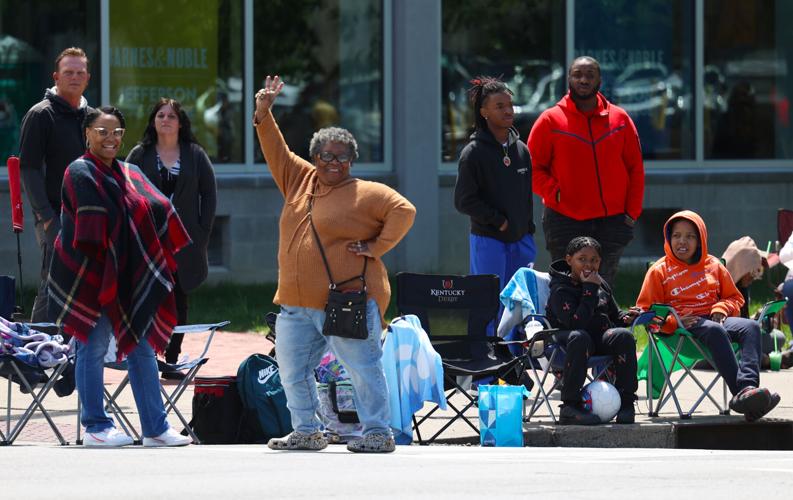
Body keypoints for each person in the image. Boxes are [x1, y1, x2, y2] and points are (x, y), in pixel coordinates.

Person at [254, 75, 416, 453]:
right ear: (315, 157)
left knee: (362, 369)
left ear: (351, 161)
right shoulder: (298, 179)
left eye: (342, 156)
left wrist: (377, 246)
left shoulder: (365, 193)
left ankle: (377, 433)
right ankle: (307, 430)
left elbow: (404, 210)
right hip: (294, 303)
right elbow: (274, 147)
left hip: (344, 300)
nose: (333, 162)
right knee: (292, 372)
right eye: (326, 155)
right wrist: (264, 112)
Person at [47, 106, 193, 447]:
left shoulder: (129, 172)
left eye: (116, 132)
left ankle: (155, 428)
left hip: (127, 276)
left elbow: (157, 207)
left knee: (142, 348)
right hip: (91, 274)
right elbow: (95, 226)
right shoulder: (79, 171)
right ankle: (96, 427)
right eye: (102, 131)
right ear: (87, 133)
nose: (110, 138)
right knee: (92, 346)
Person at [636, 210, 781, 422]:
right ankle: (741, 393)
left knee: (750, 327)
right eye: (676, 235)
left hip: (714, 320)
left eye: (689, 236)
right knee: (715, 329)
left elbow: (735, 298)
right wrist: (674, 320)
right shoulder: (659, 271)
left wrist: (721, 308)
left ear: (700, 239)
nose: (682, 241)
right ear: (668, 238)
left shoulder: (714, 265)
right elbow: (647, 313)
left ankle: (749, 387)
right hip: (681, 332)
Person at [528, 56, 644, 287]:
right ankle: (565, 324)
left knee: (603, 287)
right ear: (569, 79)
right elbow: (531, 169)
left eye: (590, 75)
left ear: (599, 80)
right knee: (566, 286)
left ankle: (602, 324)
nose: (583, 80)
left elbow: (635, 169)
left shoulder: (620, 119)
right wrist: (556, 193)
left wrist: (631, 213)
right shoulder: (550, 120)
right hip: (564, 219)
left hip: (612, 220)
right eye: (578, 74)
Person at [126, 98, 217, 378]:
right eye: (161, 115)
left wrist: (202, 232)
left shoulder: (195, 154)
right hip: (149, 240)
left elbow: (209, 194)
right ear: (153, 121)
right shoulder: (140, 154)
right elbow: (124, 190)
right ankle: (149, 357)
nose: (166, 119)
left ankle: (173, 358)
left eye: (172, 116)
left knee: (179, 298)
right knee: (149, 296)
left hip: (185, 240)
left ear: (180, 123)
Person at [18, 47, 93, 322]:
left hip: (90, 215)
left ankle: (72, 355)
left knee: (84, 285)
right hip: (55, 215)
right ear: (56, 77)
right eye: (68, 72)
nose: (74, 77)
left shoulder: (92, 118)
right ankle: (38, 353)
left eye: (80, 73)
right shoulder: (40, 115)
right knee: (55, 283)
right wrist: (47, 218)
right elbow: (28, 169)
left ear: (88, 78)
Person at [454, 76, 535, 296]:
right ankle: (488, 333)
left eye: (509, 105)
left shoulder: (521, 150)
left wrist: (528, 230)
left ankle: (518, 333)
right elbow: (463, 201)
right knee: (489, 300)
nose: (508, 111)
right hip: (489, 240)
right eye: (499, 106)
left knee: (522, 301)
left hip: (521, 239)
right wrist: (497, 220)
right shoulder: (473, 153)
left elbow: (526, 195)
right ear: (484, 112)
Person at [546, 236, 640, 425]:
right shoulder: (560, 290)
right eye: (582, 259)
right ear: (569, 260)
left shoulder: (600, 283)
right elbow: (575, 323)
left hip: (598, 338)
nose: (589, 264)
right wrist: (589, 289)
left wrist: (626, 317)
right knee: (579, 336)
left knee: (624, 336)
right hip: (568, 343)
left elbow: (614, 314)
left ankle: (626, 402)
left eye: (594, 260)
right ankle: (569, 407)